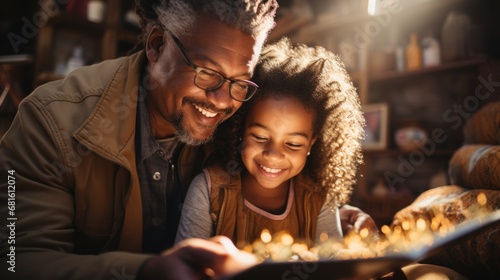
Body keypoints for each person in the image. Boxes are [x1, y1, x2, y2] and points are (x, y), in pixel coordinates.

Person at [0, 1, 374, 279]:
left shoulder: (236, 123)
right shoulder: (48, 120)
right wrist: (147, 272)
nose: (223, 100)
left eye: (239, 81)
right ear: (157, 44)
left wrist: (330, 217)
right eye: (207, 73)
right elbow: (16, 260)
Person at [176, 39, 366, 249]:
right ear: (240, 131)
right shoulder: (209, 190)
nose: (273, 155)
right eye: (260, 137)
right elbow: (186, 266)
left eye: (293, 144)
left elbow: (335, 271)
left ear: (311, 144)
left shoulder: (318, 200)